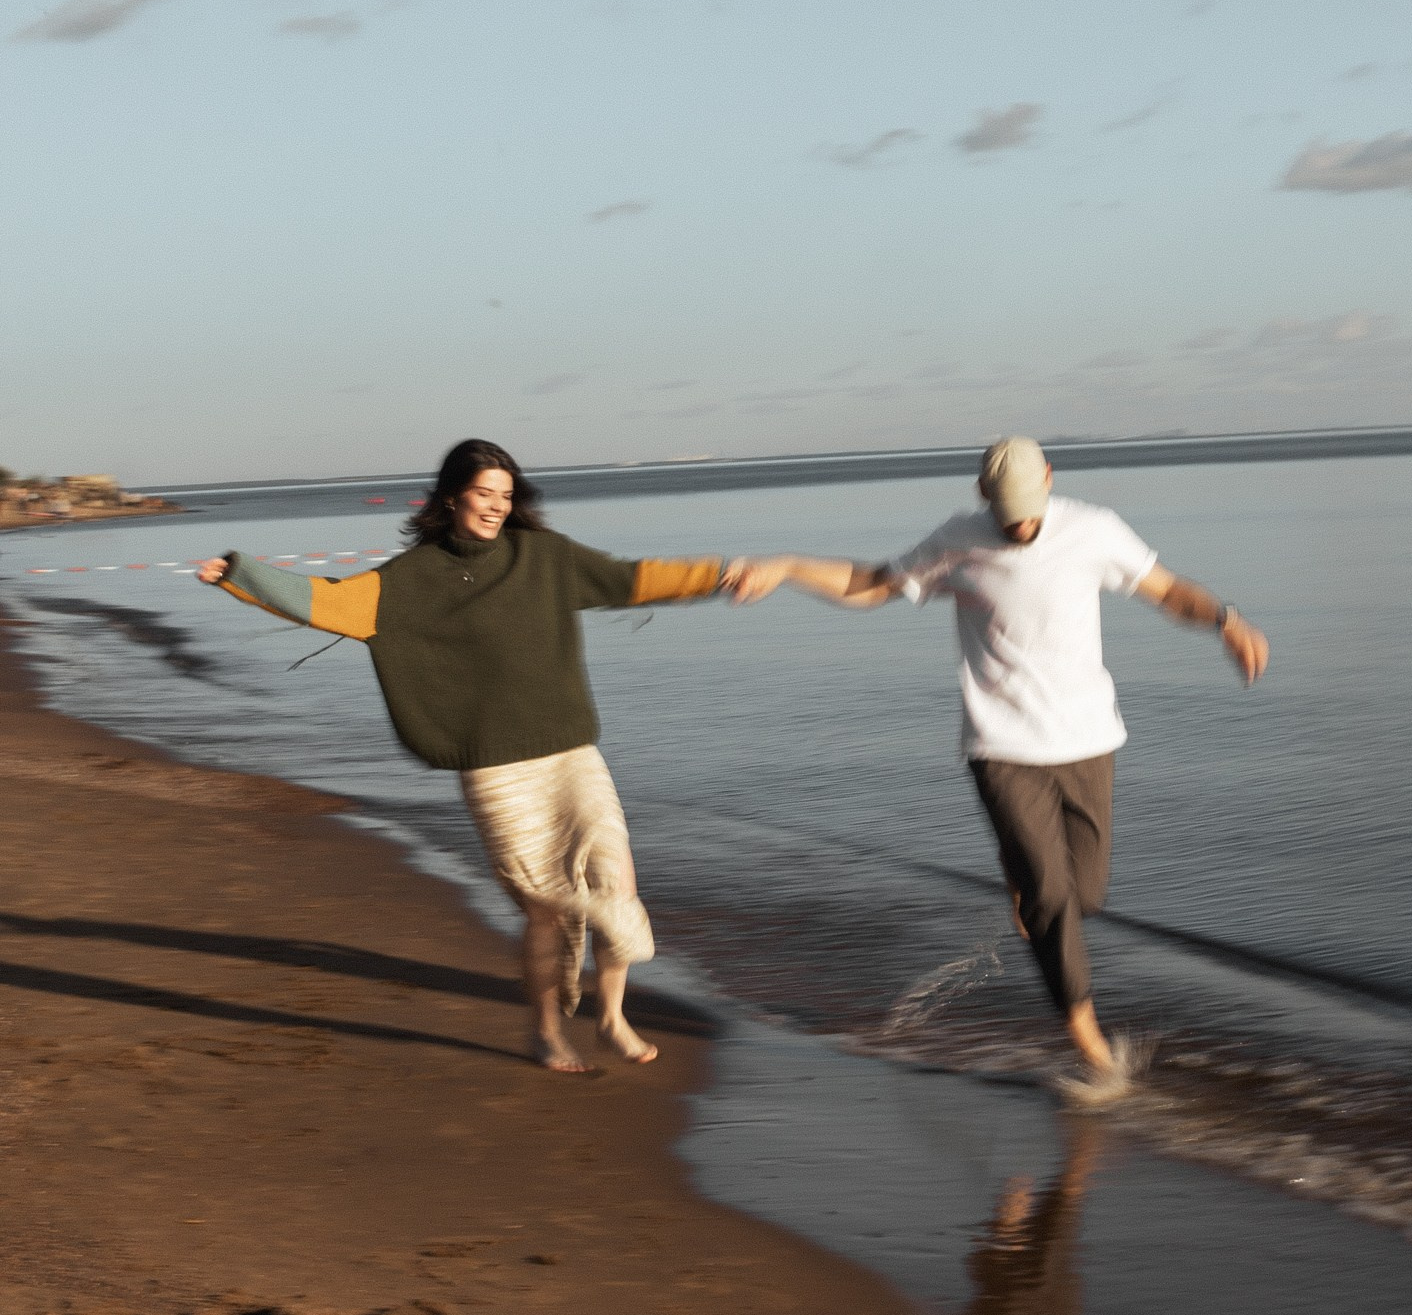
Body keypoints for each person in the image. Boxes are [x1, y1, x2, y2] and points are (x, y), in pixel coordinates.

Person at [727, 436, 1267, 1102]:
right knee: (1050, 902)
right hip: (1002, 746)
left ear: (1048, 478)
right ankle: (1090, 1043)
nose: (1021, 524)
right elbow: (872, 584)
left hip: (1088, 738)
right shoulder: (957, 540)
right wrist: (784, 566)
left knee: (1084, 895)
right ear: (984, 496)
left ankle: (1024, 873)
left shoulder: (1094, 530)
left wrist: (1225, 619)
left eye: (1030, 507)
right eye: (1008, 512)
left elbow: (1166, 590)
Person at [195, 438, 731, 1074]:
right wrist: (239, 572)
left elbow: (629, 579)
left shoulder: (544, 557)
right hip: (497, 767)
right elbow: (325, 601)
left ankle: (612, 1016)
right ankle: (546, 1031)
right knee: (544, 906)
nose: (496, 506)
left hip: (570, 752)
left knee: (615, 876)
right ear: (451, 496)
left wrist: (718, 576)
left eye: (506, 495)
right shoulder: (411, 580)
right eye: (484, 492)